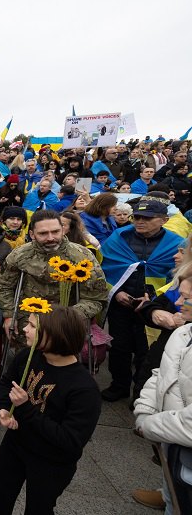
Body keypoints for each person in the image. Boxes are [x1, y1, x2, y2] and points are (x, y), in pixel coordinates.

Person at [0, 305, 101, 514]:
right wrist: (4, 409)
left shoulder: (84, 388)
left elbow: (70, 440)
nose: (24, 329)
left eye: (32, 326)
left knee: (39, 508)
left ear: (56, 335)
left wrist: (25, 408)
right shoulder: (29, 356)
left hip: (51, 461)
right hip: (16, 445)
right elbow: (6, 383)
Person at [100, 197, 183, 402]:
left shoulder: (176, 244)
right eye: (136, 216)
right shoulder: (119, 237)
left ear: (163, 220)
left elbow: (178, 276)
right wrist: (115, 293)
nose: (139, 221)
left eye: (147, 217)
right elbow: (102, 269)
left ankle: (141, 391)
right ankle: (118, 385)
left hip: (153, 308)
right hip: (121, 304)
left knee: (145, 350)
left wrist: (153, 301)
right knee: (119, 347)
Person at [0, 209, 107, 351]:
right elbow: (4, 286)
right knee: (26, 365)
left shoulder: (82, 256)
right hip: (29, 320)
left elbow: (96, 297)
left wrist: (67, 317)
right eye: (43, 233)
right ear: (32, 234)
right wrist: (9, 315)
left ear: (63, 230)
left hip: (66, 321)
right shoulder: (19, 255)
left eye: (55, 232)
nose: (50, 238)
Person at [133, 268, 192, 514]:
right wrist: (145, 408)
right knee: (172, 498)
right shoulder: (182, 333)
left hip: (180, 438)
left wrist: (150, 425)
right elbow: (162, 373)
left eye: (186, 298)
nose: (177, 303)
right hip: (171, 439)